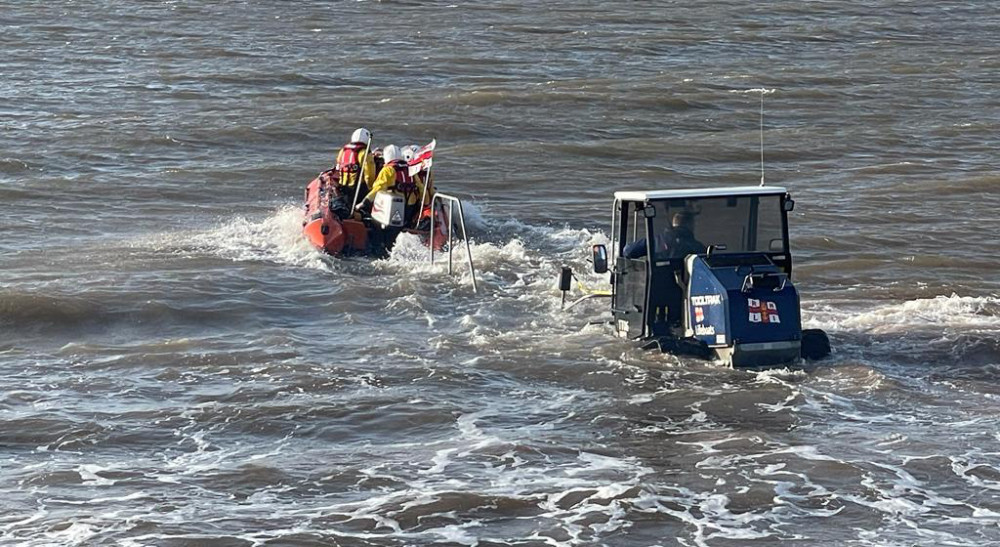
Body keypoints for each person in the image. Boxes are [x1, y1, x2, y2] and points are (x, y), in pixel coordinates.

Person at [355, 144, 426, 251]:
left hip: (393, 210)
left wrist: (364, 203)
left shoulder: (388, 170)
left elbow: (377, 188)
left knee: (374, 222)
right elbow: (421, 188)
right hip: (409, 209)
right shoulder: (410, 169)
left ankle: (377, 247)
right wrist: (424, 206)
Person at [324, 128, 377, 219]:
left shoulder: (343, 151)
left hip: (343, 187)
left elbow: (338, 168)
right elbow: (369, 175)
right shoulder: (364, 153)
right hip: (358, 189)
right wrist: (371, 189)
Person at [623, 211, 705, 260]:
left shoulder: (657, 241)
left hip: (658, 283)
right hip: (687, 286)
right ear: (690, 225)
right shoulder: (698, 247)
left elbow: (628, 251)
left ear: (673, 224)